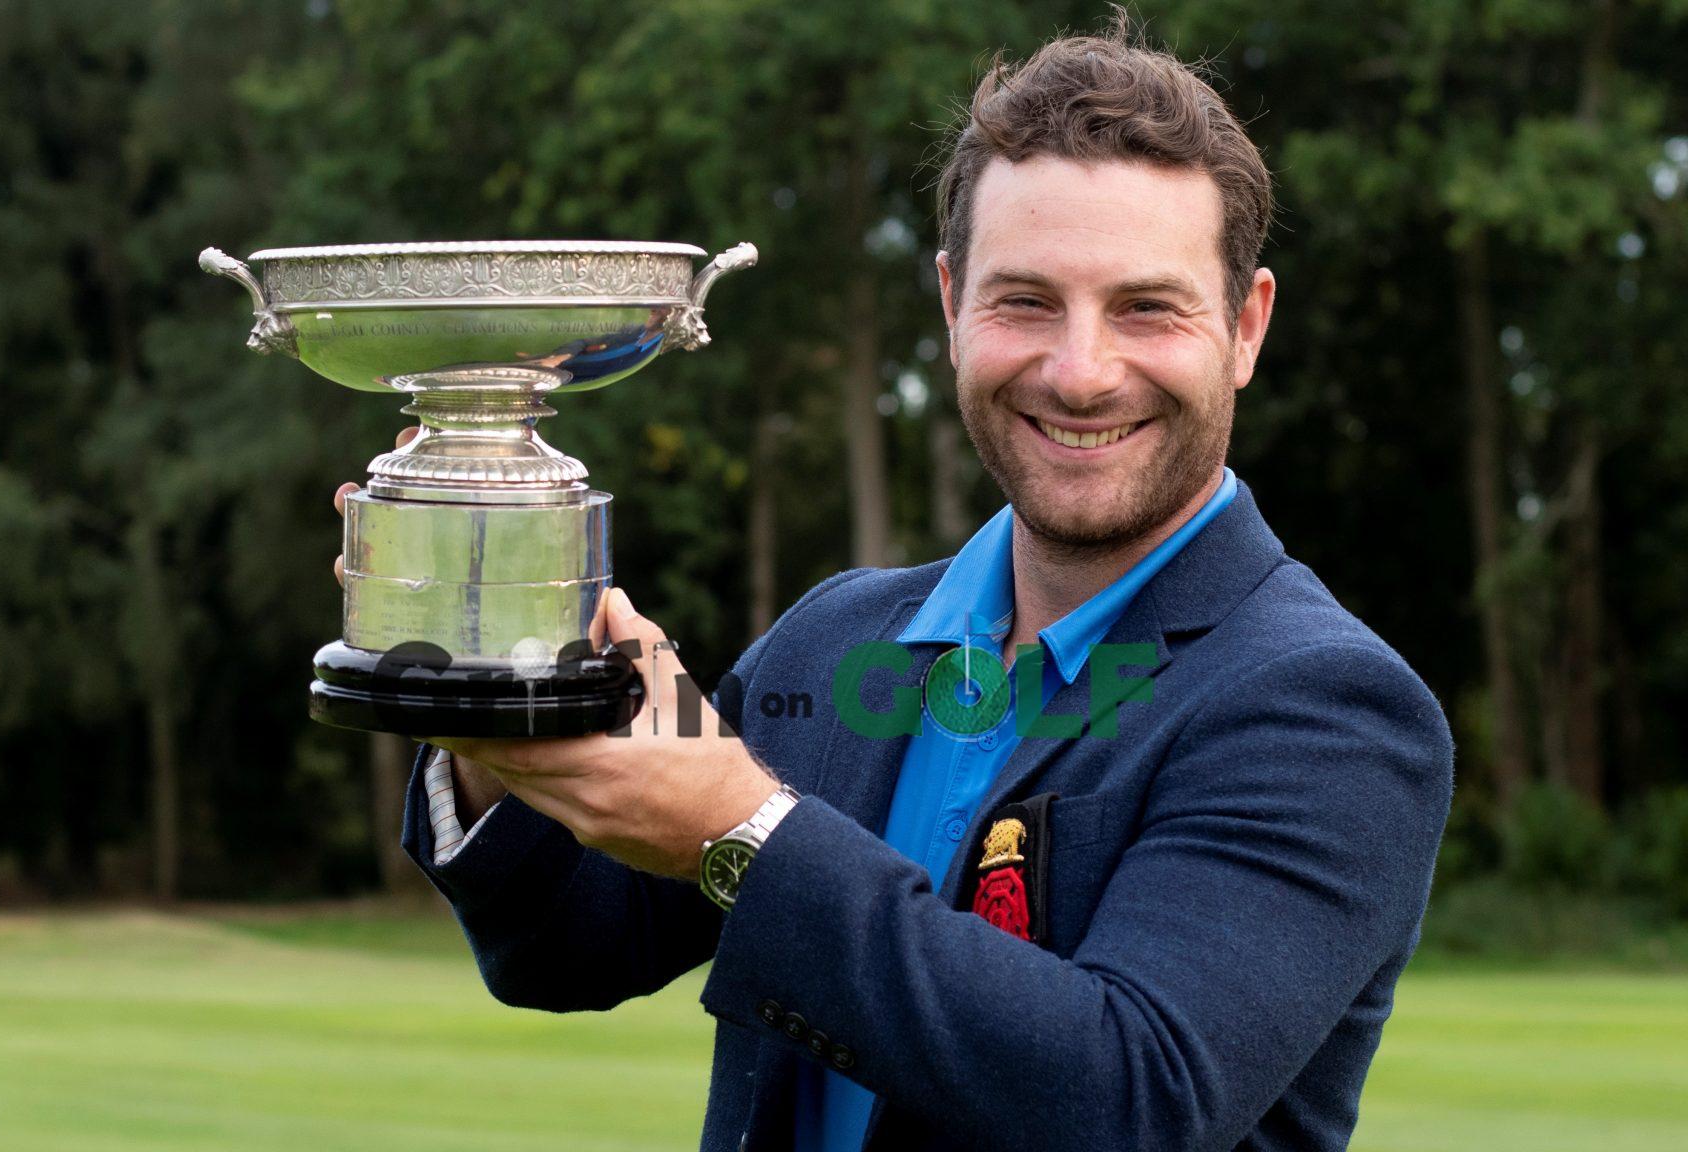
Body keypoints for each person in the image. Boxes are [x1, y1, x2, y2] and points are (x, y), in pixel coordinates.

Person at [339, 17, 1452, 1152]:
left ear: (1244, 327)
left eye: (1144, 308)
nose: (1078, 372)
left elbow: (1131, 1097)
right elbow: (568, 947)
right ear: (949, 303)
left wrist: (741, 827)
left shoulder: (1324, 707)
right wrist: (502, 676)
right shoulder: (840, 640)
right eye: (1023, 301)